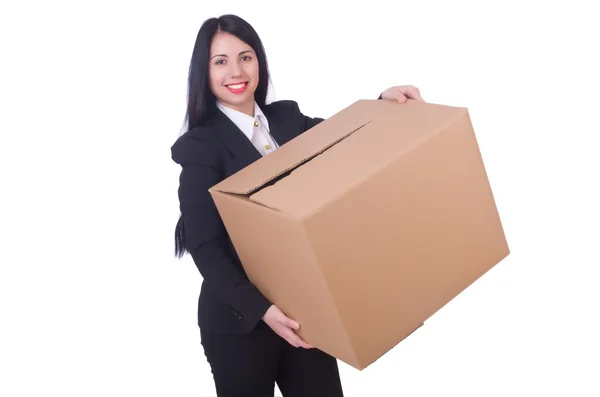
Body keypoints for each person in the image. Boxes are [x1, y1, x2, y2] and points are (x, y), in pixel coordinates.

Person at [170, 14, 425, 397]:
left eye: (246, 56)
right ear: (202, 73)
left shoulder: (286, 119)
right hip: (241, 321)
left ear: (260, 62)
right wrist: (264, 310)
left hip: (306, 315)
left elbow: (339, 140)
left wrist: (381, 103)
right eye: (220, 61)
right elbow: (206, 248)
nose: (236, 70)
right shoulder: (200, 148)